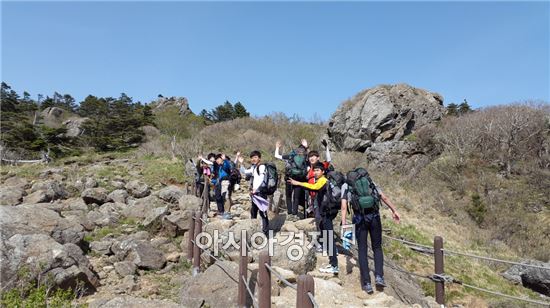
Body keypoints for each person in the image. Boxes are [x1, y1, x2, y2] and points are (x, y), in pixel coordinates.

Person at [340, 168, 401, 294]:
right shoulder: (369, 180)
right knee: (377, 248)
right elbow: (383, 197)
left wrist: (344, 222)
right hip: (374, 217)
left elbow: (344, 205)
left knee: (362, 250)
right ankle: (379, 277)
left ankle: (367, 283)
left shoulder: (346, 184)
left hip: (359, 218)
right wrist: (394, 210)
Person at [289, 162, 339, 274]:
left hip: (327, 213)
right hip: (324, 213)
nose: (315, 172)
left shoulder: (323, 181)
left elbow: (314, 187)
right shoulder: (323, 180)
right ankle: (332, 263)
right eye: (314, 170)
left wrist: (298, 183)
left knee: (329, 237)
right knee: (326, 235)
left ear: (323, 172)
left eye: (318, 170)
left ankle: (334, 265)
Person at [274, 139, 308, 221]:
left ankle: (289, 213)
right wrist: (306, 147)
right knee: (296, 197)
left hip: (289, 178)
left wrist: (277, 147)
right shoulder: (306, 158)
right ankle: (295, 214)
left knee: (289, 196)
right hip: (299, 179)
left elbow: (277, 156)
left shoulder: (290, 156)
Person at [238, 150, 270, 236]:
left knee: (262, 211)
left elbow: (262, 179)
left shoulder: (262, 167)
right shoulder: (254, 168)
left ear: (259, 158)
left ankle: (265, 231)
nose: (253, 159)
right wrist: (241, 163)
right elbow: (244, 171)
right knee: (253, 211)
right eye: (252, 157)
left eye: (255, 157)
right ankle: (253, 229)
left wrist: (256, 189)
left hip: (260, 192)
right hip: (255, 193)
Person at [212, 153, 232, 219]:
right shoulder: (220, 166)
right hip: (222, 182)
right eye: (216, 159)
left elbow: (228, 166)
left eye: (218, 159)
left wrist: (225, 160)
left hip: (226, 182)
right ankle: (225, 212)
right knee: (224, 197)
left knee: (226, 197)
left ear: (221, 159)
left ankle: (227, 213)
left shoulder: (224, 164)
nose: (217, 161)